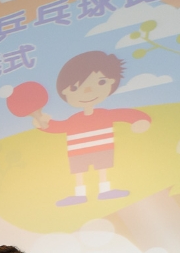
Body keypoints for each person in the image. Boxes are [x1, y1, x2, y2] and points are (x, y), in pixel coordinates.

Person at [32, 50, 151, 206]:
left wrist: (139, 120)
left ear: (111, 82)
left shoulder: (104, 114)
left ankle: (105, 191)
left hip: (102, 148)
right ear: (65, 92)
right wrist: (43, 124)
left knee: (103, 169)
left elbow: (122, 114)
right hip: (77, 152)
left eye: (101, 82)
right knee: (79, 173)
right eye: (74, 88)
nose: (87, 91)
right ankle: (80, 195)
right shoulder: (74, 119)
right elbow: (59, 127)